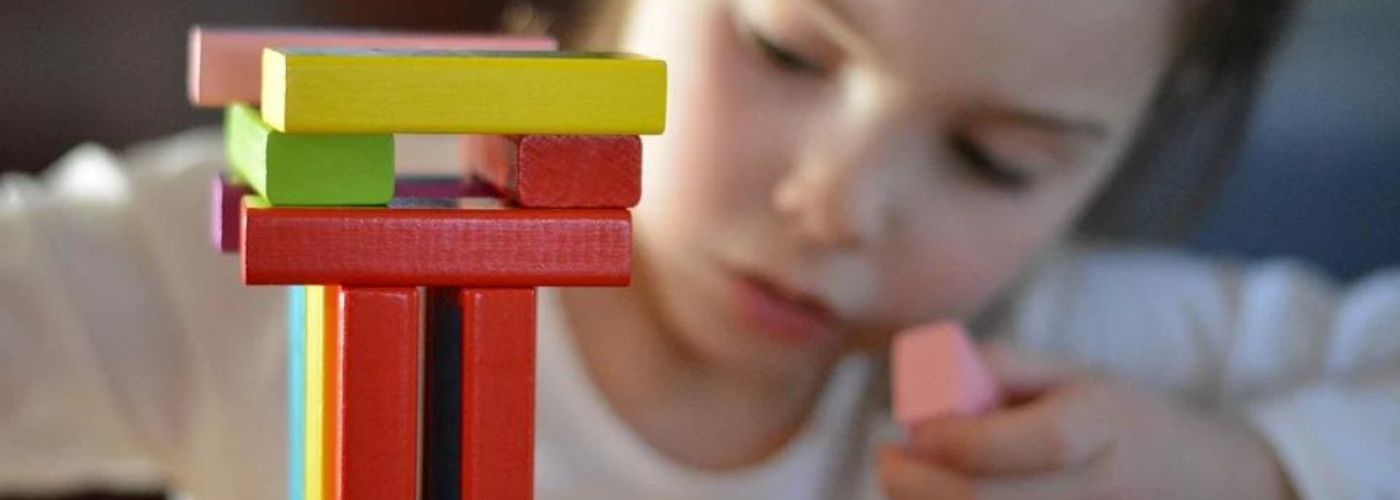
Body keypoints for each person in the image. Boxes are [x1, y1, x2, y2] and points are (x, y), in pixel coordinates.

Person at [1, 0, 1396, 499]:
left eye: (996, 157)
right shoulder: (286, 259)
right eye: (786, 49)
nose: (839, 204)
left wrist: (1240, 472)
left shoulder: (1060, 369)